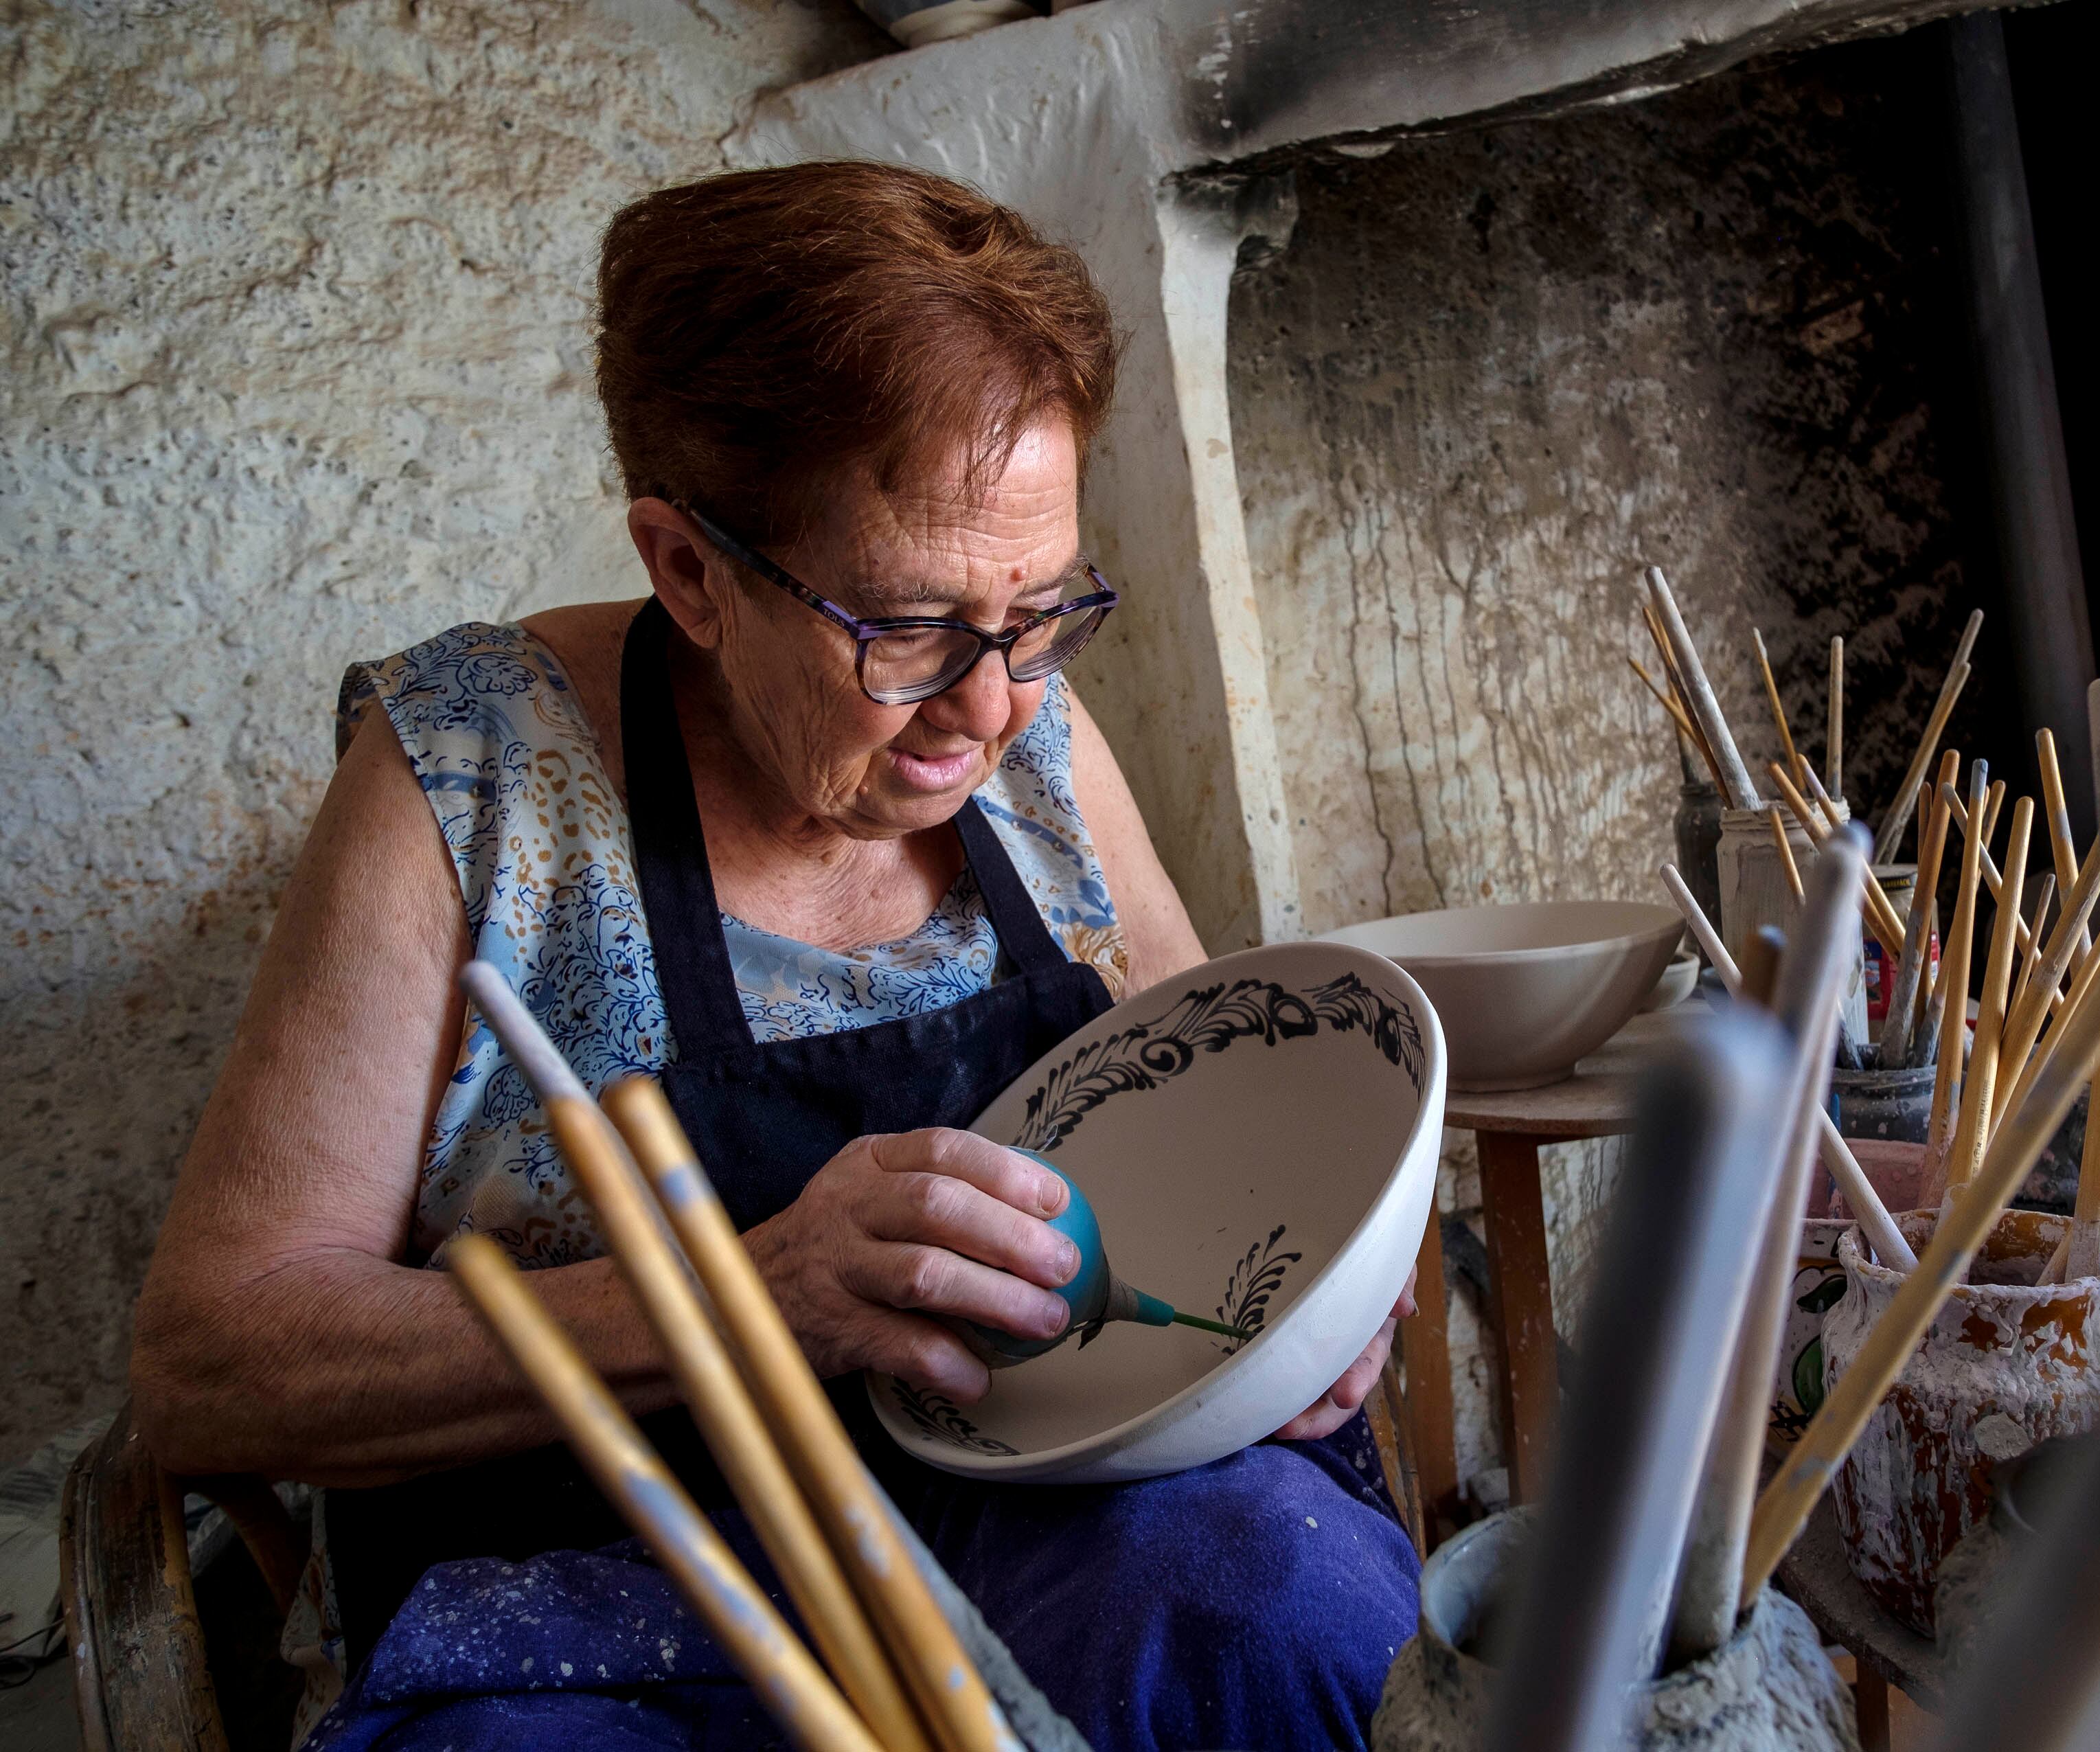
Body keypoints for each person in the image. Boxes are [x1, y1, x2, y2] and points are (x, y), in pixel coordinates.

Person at [130, 160, 1418, 1752]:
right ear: (688, 571)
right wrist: (747, 1296)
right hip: (620, 1627)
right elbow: (211, 1358)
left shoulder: (1024, 732)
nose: (992, 707)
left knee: (1261, 1589)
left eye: (1039, 609)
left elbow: (1236, 1123)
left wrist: (1310, 1294)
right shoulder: (471, 771)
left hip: (1046, 1545)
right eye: (910, 628)